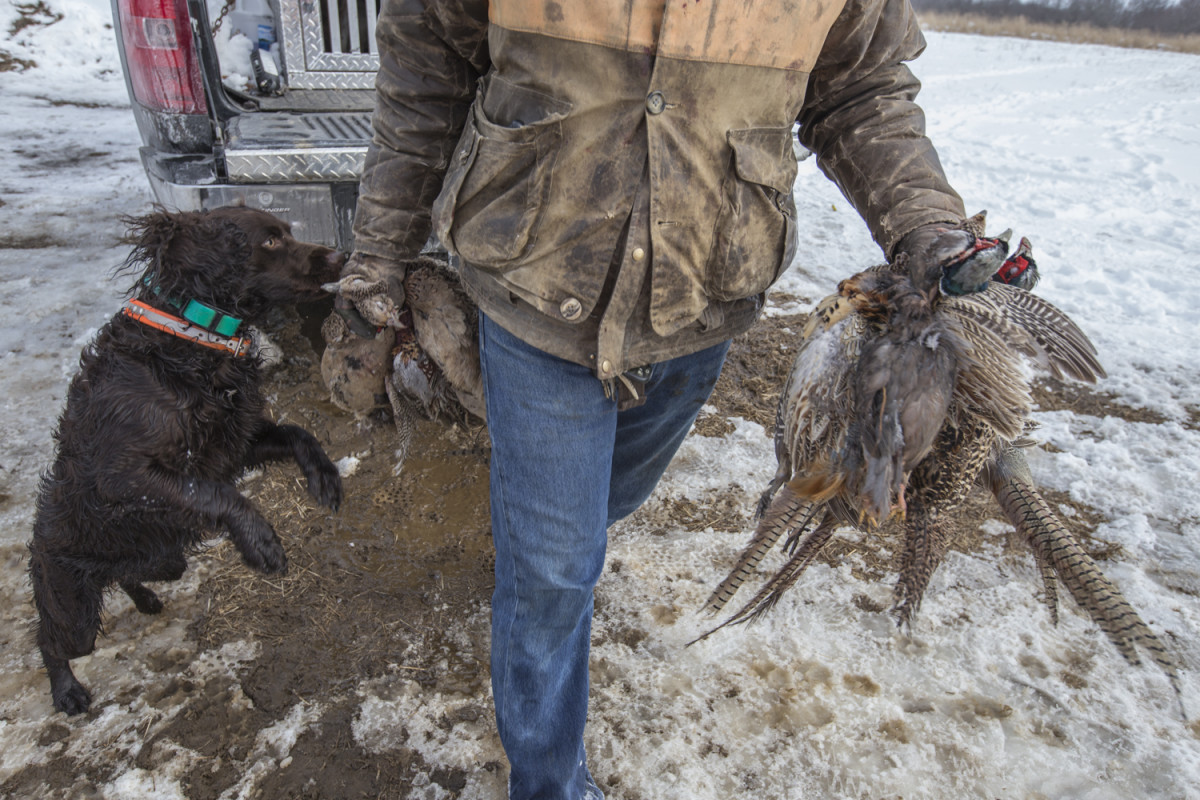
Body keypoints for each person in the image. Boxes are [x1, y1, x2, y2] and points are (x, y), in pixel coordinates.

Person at [335, 1, 1005, 797]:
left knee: (599, 507)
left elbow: (859, 86)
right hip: (534, 280)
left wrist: (925, 221)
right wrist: (379, 250)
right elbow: (429, 64)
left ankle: (545, 542)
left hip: (706, 289)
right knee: (554, 568)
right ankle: (549, 779)